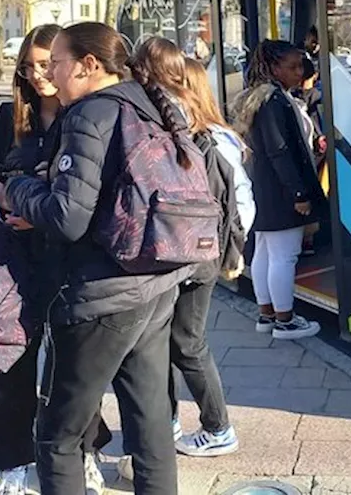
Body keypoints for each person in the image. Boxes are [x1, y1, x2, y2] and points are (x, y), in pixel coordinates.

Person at [0, 22, 192, 495]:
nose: (49, 73)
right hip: (153, 282)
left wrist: (13, 189)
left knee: (57, 436)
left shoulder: (90, 114)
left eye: (56, 62)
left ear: (89, 65)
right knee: (151, 423)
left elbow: (68, 217)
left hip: (100, 293)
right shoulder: (147, 101)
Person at [0, 24, 111, 495]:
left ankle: (86, 451)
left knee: (73, 366)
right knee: (13, 366)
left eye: (45, 62)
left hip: (72, 258)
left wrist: (36, 203)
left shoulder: (87, 114)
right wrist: (7, 200)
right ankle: (13, 462)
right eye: (27, 66)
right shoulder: (11, 117)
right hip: (13, 257)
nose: (37, 74)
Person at [126, 39, 251, 465]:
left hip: (190, 254)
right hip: (195, 251)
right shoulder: (202, 131)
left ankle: (218, 427)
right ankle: (173, 422)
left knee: (185, 343)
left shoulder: (193, 134)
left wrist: (227, 250)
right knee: (171, 341)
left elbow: (234, 203)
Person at [229, 39, 325, 340]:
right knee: (285, 256)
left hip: (264, 190)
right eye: (293, 66)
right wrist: (300, 193)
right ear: (273, 68)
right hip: (282, 193)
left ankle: (267, 314)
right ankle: (285, 319)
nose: (300, 72)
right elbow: (280, 151)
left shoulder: (257, 98)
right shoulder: (275, 101)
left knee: (266, 254)